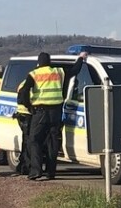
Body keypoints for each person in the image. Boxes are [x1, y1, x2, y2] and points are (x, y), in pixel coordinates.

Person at [18, 51, 87, 180]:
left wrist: (29, 106)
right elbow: (75, 71)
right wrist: (80, 59)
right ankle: (51, 172)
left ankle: (36, 170)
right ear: (49, 62)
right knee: (52, 142)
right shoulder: (59, 72)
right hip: (56, 112)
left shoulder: (34, 74)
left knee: (34, 140)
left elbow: (24, 91)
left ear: (39, 63)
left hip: (40, 112)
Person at [13, 79, 32, 175]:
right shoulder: (30, 82)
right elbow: (24, 99)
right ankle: (25, 167)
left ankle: (22, 166)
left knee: (25, 142)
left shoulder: (23, 82)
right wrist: (30, 108)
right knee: (28, 142)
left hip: (22, 114)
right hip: (27, 114)